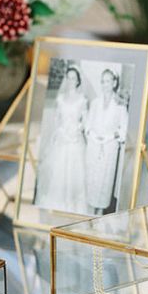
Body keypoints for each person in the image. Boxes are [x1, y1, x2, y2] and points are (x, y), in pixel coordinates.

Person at [35, 66, 88, 214]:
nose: (71, 80)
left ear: (78, 80)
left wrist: (76, 130)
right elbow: (57, 118)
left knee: (74, 170)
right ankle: (59, 202)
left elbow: (85, 121)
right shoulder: (60, 98)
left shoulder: (82, 100)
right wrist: (62, 131)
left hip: (76, 138)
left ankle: (73, 202)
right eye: (68, 77)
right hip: (62, 136)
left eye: (73, 78)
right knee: (59, 168)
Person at [85, 68, 129, 215]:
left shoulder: (120, 105)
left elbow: (124, 130)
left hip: (109, 149)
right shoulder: (95, 103)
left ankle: (99, 215)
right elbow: (87, 125)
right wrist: (93, 135)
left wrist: (110, 136)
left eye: (108, 81)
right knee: (92, 180)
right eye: (103, 81)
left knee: (104, 182)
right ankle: (89, 214)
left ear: (114, 83)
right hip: (93, 147)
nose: (105, 84)